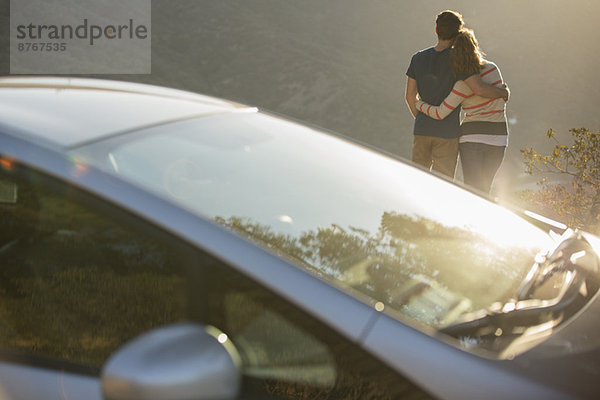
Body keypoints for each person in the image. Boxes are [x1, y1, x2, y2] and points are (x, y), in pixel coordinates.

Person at [405, 10, 509, 179]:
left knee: (417, 179)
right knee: (443, 184)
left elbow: (410, 96)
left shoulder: (417, 58)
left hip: (422, 129)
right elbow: (479, 89)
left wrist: (423, 119)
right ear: (458, 32)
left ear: (436, 30)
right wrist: (503, 92)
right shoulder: (459, 60)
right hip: (448, 133)